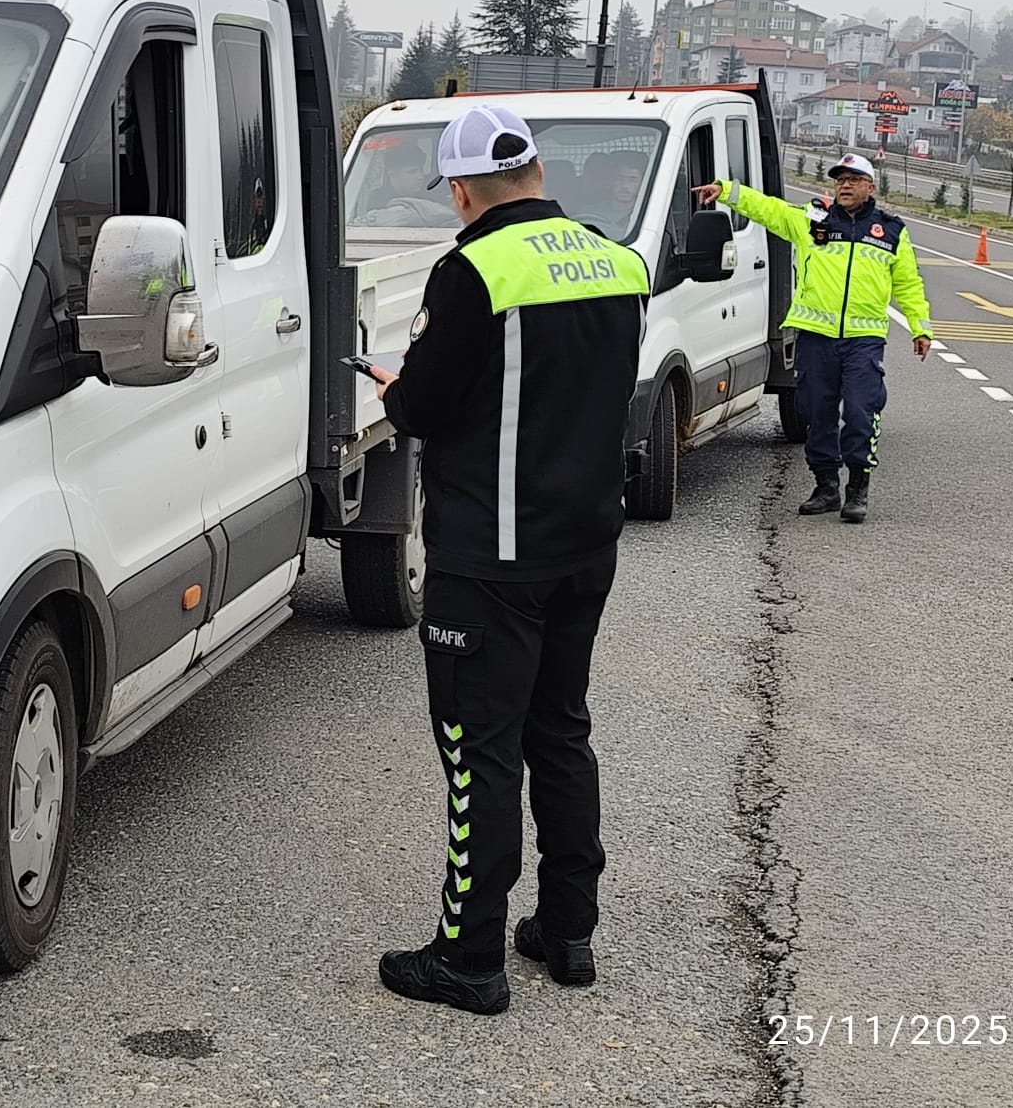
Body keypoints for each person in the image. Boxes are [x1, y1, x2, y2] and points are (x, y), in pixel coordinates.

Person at [368, 103, 649, 1017]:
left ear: (461, 190)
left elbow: (424, 407)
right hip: (584, 545)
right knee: (561, 731)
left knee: (477, 752)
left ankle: (469, 957)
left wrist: (395, 385)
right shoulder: (615, 259)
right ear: (535, 170)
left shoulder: (472, 270)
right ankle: (568, 930)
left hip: (491, 557)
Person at [693, 151, 932, 524]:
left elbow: (908, 283)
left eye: (853, 180)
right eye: (840, 180)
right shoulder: (812, 220)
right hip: (816, 337)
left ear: (870, 187)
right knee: (816, 414)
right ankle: (826, 487)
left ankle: (857, 488)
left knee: (860, 412)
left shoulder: (891, 231)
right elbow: (769, 210)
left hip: (863, 339)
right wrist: (726, 191)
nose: (845, 186)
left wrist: (920, 326)